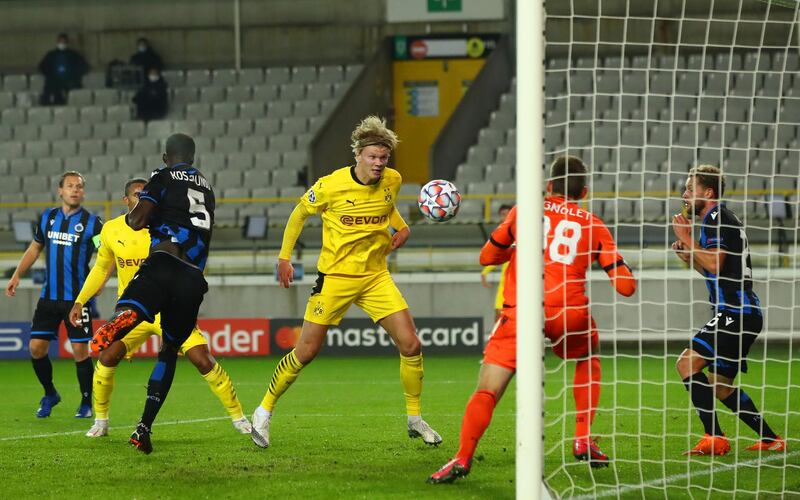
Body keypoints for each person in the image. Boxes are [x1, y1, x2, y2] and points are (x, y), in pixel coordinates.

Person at [428, 155, 637, 484]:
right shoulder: (593, 224)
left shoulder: (522, 212)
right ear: (583, 193)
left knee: (488, 390)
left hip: (521, 310)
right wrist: (615, 262)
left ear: (549, 186)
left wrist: (513, 247)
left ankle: (462, 457)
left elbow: (486, 257)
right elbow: (626, 287)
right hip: (569, 312)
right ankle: (582, 436)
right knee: (587, 354)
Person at [250, 115, 441, 450]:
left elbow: (387, 208)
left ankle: (415, 418)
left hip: (375, 277)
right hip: (335, 278)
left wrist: (403, 227)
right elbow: (298, 214)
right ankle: (263, 411)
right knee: (306, 351)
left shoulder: (392, 180)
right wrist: (284, 257)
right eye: (373, 157)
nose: (379, 163)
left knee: (411, 345)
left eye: (383, 157)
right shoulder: (331, 185)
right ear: (358, 155)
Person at [68, 178, 251, 438]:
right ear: (126, 200)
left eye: (146, 195)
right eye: (136, 195)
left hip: (170, 307)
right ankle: (100, 420)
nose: (142, 199)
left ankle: (239, 417)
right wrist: (80, 300)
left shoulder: (166, 227)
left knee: (202, 359)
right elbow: (100, 268)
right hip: (135, 313)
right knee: (107, 357)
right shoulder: (110, 230)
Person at [87, 133, 215, 454]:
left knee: (134, 305)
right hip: (193, 278)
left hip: (164, 261)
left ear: (165, 156)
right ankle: (144, 428)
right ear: (193, 156)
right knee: (169, 351)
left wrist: (141, 216)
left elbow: (136, 220)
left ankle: (127, 317)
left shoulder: (162, 176)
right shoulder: (206, 187)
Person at [671, 165, 785, 455]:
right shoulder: (718, 219)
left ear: (707, 192)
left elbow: (715, 263)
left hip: (736, 310)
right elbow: (713, 270)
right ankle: (772, 439)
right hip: (743, 311)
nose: (684, 195)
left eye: (689, 189)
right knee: (720, 386)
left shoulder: (716, 216)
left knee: (687, 363)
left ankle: (714, 437)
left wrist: (687, 238)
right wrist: (690, 257)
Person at [5, 171, 102, 419]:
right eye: (70, 186)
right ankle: (50, 394)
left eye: (79, 186)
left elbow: (106, 254)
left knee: (80, 352)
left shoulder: (93, 223)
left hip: (77, 300)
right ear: (60, 190)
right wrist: (17, 274)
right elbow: (35, 247)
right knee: (36, 348)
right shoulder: (48, 217)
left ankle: (86, 402)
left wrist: (101, 280)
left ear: (83, 192)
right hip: (49, 297)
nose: (75, 190)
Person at [480, 204, 513, 321]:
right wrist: (485, 272)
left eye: (508, 214)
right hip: (505, 281)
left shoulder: (517, 231)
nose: (505, 217)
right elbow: (495, 255)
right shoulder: (501, 234)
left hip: (516, 280)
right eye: (503, 215)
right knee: (499, 317)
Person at [38, 33, 88, 106]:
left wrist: (74, 75)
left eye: (64, 42)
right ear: (57, 42)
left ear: (67, 43)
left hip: (70, 81)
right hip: (54, 81)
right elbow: (42, 67)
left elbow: (83, 66)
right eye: (60, 42)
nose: (62, 44)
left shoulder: (73, 54)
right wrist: (50, 75)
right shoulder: (51, 55)